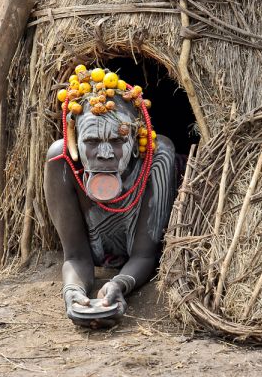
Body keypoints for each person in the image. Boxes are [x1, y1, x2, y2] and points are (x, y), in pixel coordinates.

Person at [44, 66, 177, 328]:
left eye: (117, 140)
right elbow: (75, 257)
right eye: (92, 142)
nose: (105, 153)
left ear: (136, 139)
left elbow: (144, 255)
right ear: (75, 140)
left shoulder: (157, 158)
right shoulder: (61, 162)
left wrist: (118, 285)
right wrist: (72, 293)